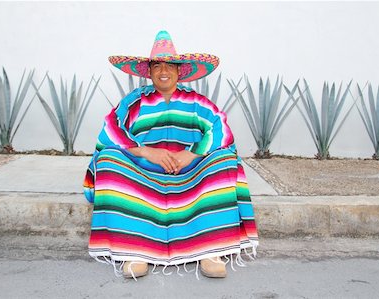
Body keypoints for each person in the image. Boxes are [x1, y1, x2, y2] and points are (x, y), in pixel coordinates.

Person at [83, 30, 259, 280]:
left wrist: (193, 154)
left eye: (170, 65)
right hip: (142, 173)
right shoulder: (134, 102)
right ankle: (135, 251)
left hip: (190, 175)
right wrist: (146, 151)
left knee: (225, 161)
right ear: (149, 71)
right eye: (157, 66)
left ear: (179, 71)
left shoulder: (198, 103)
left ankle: (210, 251)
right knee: (109, 161)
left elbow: (221, 129)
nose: (163, 71)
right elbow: (110, 132)